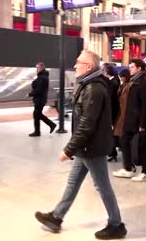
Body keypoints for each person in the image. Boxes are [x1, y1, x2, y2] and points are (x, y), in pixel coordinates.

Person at [35, 51, 127, 240]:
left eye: (79, 62)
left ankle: (116, 224)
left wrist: (68, 150)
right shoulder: (89, 85)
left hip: (92, 147)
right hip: (85, 147)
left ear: (89, 66)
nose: (75, 65)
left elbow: (87, 123)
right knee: (73, 181)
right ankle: (56, 217)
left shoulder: (94, 89)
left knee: (102, 186)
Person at [113, 59, 146, 182]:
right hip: (130, 119)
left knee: (142, 145)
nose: (130, 69)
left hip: (138, 120)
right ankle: (128, 168)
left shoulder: (144, 82)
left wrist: (143, 124)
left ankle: (145, 172)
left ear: (139, 68)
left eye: (132, 67)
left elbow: (145, 104)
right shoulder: (133, 81)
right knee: (124, 140)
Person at [28, 62, 57, 137]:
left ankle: (47, 127)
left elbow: (38, 90)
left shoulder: (43, 78)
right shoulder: (41, 76)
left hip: (40, 100)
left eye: (37, 68)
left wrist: (30, 94)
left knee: (37, 115)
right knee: (37, 115)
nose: (36, 69)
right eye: (36, 68)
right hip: (39, 99)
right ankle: (47, 127)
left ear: (42, 68)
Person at [102, 64, 121, 162]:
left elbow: (109, 98)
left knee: (111, 132)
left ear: (106, 71)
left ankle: (113, 151)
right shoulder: (113, 81)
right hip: (113, 111)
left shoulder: (113, 83)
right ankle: (112, 151)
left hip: (112, 111)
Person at [112, 69, 131, 162]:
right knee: (118, 132)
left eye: (122, 77)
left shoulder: (128, 86)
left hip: (124, 113)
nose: (121, 79)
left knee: (120, 133)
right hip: (120, 111)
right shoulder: (122, 85)